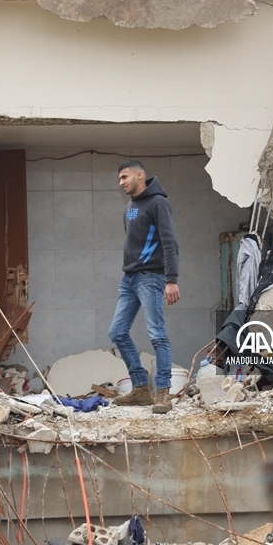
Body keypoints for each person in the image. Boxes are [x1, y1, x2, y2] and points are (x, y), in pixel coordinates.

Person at [109, 161, 180, 413]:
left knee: (157, 334)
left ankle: (163, 393)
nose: (121, 182)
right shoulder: (129, 206)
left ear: (140, 175)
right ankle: (140, 388)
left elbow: (169, 242)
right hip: (129, 278)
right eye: (119, 178)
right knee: (117, 332)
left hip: (151, 277)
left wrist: (171, 279)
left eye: (125, 177)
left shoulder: (158, 203)